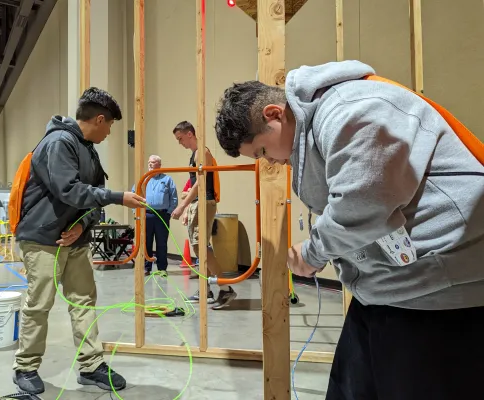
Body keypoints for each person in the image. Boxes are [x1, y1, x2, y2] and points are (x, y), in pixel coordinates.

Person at [213, 60, 484, 400]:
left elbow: (361, 206)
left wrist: (312, 255)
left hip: (438, 293)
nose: (271, 162)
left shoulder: (353, 111)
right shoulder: (323, 122)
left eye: (263, 151)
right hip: (388, 288)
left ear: (274, 114)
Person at [12, 87, 146, 395]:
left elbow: (90, 199)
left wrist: (81, 223)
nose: (110, 131)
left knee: (84, 301)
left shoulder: (87, 149)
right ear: (99, 119)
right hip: (43, 238)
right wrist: (118, 198)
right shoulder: (59, 143)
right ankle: (26, 366)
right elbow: (68, 190)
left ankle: (91, 365)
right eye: (110, 124)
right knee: (39, 303)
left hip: (74, 238)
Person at [171, 121, 237, 309]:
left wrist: (183, 206)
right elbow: (193, 181)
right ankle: (205, 288)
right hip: (197, 203)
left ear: (190, 134)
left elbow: (200, 184)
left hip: (204, 202)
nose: (180, 143)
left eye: (180, 138)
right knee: (198, 247)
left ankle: (226, 289)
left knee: (202, 247)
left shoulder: (202, 152)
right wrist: (188, 207)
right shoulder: (195, 154)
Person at [132, 155, 178, 276]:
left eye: (153, 162)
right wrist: (135, 212)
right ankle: (147, 268)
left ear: (159, 165)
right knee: (146, 242)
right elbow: (133, 195)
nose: (150, 165)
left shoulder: (167, 179)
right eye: (149, 163)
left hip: (162, 215)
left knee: (161, 242)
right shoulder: (142, 179)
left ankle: (162, 268)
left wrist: (168, 212)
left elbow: (174, 198)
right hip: (146, 215)